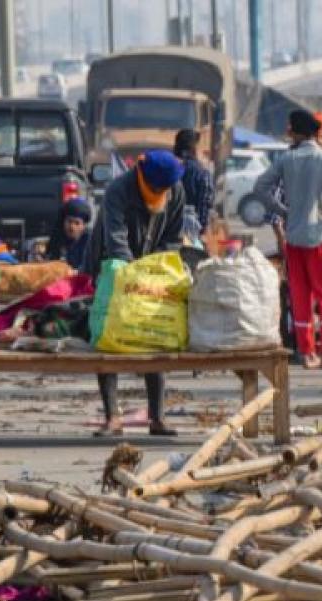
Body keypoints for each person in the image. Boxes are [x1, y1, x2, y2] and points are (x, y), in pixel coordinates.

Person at [85, 150, 186, 435]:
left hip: (151, 268)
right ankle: (112, 416)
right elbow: (114, 237)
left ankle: (157, 417)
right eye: (155, 188)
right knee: (108, 339)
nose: (159, 193)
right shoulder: (119, 189)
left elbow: (173, 237)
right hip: (111, 266)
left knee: (154, 337)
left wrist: (156, 269)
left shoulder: (175, 190)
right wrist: (128, 275)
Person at [253, 109, 322, 370]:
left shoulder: (286, 159)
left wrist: (284, 211)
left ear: (297, 133)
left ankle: (306, 352)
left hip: (294, 238)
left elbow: (260, 188)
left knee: (300, 296)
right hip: (319, 236)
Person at [173, 128, 214, 231]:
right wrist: (202, 230)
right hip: (191, 231)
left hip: (165, 231)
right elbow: (204, 204)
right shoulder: (201, 173)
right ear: (194, 148)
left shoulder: (167, 168)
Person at [46, 197, 92, 270]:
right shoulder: (57, 238)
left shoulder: (90, 242)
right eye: (69, 221)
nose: (72, 227)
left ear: (84, 226)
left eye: (77, 223)